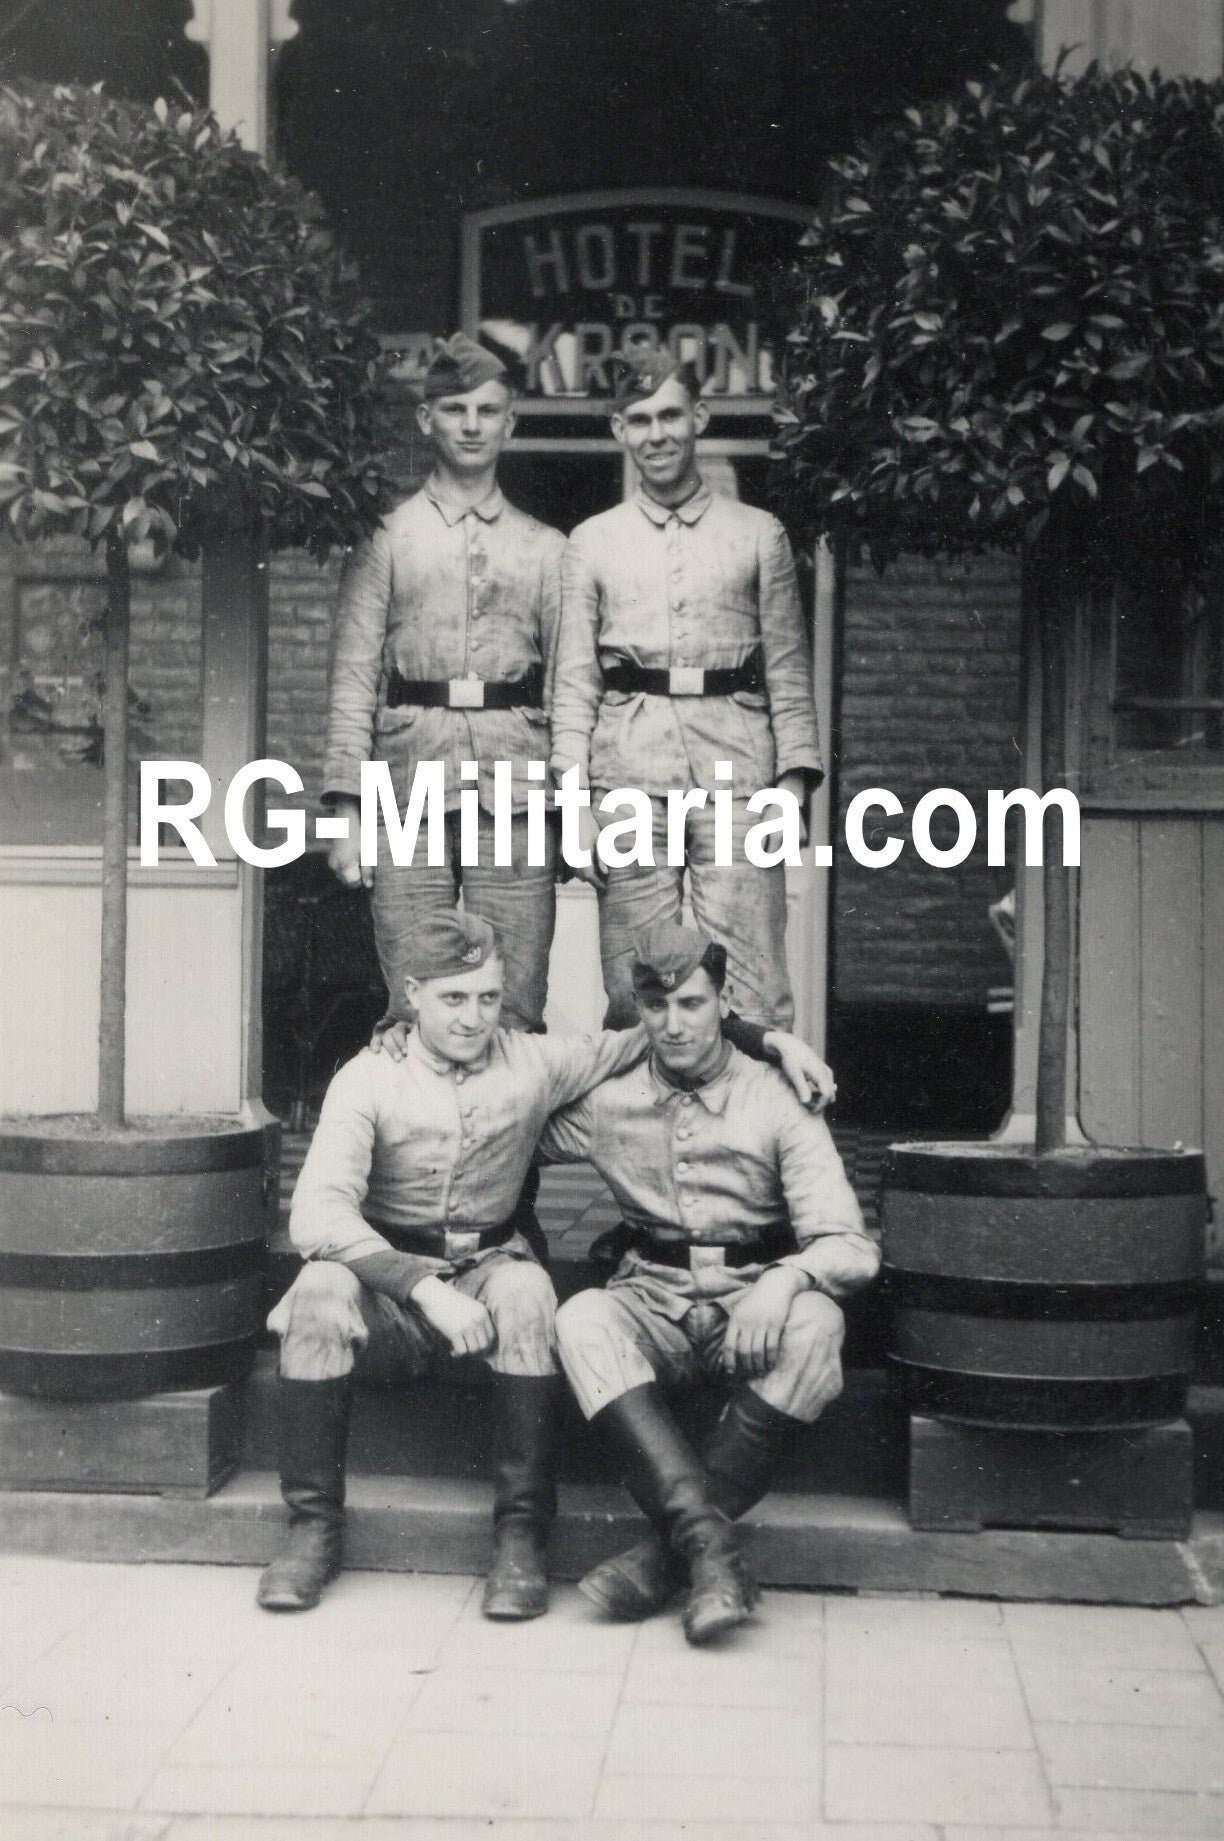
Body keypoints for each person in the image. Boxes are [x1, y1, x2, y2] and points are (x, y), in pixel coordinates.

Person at [257, 912, 836, 1622]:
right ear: (411, 994)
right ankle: (312, 1529)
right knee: (316, 1287)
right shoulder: (368, 1077)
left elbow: (662, 1030)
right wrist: (424, 1289)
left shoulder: (535, 1059)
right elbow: (316, 1215)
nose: (474, 1019)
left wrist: (772, 1040)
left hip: (489, 1263)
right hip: (387, 1282)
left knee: (531, 1288)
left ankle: (520, 1535)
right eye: (453, 998)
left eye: (489, 998)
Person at [549, 920, 880, 1645]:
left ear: (723, 1001)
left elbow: (851, 1246)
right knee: (580, 1317)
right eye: (656, 1006)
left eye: (693, 1004)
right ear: (638, 1009)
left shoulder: (778, 1096)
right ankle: (710, 1548)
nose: (674, 1024)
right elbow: (507, 1120)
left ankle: (665, 1555)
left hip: (751, 1299)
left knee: (818, 1324)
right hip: (652, 1299)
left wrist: (787, 1277)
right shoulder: (609, 1101)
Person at [550, 346, 824, 1028]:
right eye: (639, 419)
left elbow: (789, 668)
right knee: (636, 973)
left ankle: (754, 1127)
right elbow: (575, 682)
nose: (657, 434)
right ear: (619, 429)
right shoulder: (591, 541)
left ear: (699, 416)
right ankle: (642, 1131)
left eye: (671, 415)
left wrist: (791, 788)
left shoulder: (759, 534)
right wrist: (574, 799)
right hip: (627, 769)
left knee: (751, 969)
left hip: (739, 765)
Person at [321, 331, 563, 1037]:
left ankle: (514, 1150)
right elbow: (354, 677)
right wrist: (344, 806)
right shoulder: (386, 538)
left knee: (513, 997)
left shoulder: (547, 548)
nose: (471, 424)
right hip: (408, 782)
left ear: (510, 423)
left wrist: (570, 805)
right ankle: (417, 1148)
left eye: (488, 410)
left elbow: (571, 691)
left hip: (518, 785)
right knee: (414, 991)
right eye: (454, 408)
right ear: (426, 420)